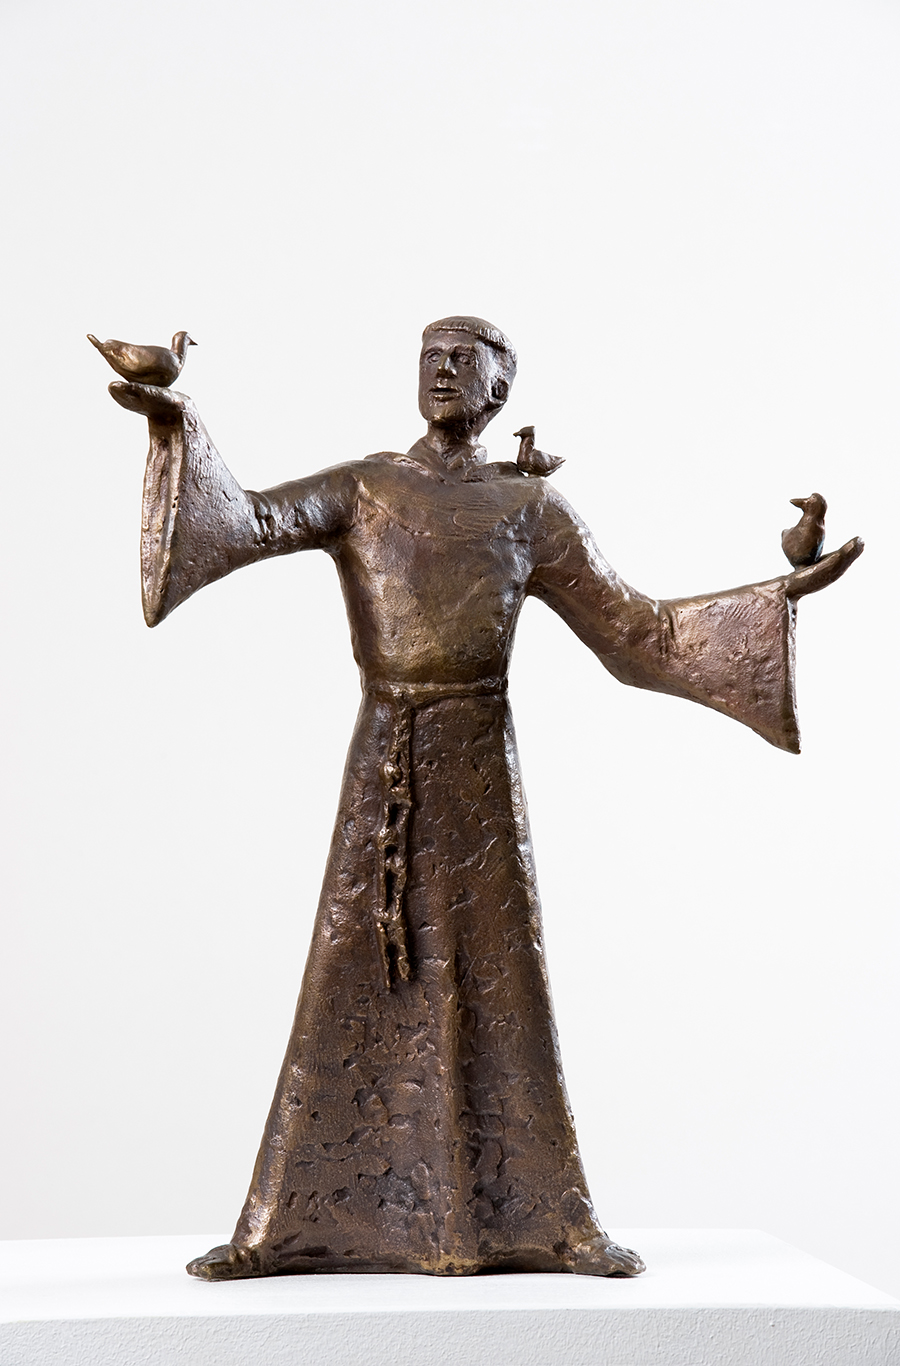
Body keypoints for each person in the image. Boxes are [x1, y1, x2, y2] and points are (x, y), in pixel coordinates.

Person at [109, 316, 861, 1279]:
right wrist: (174, 420)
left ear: (500, 388)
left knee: (502, 979)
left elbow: (637, 636)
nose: (444, 372)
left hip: (476, 762)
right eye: (432, 358)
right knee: (348, 969)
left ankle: (553, 1223)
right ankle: (284, 1226)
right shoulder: (365, 486)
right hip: (386, 755)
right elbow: (243, 523)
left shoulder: (529, 508)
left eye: (465, 361)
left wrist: (782, 594)